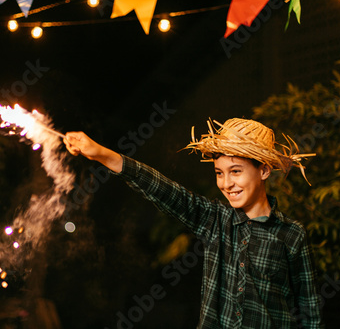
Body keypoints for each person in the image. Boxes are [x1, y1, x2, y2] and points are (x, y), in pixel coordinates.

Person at [63, 118, 324, 328]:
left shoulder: (291, 235)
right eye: (219, 173)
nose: (226, 184)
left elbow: (310, 313)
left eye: (236, 171)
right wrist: (101, 154)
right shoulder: (215, 220)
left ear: (264, 170)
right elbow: (163, 190)